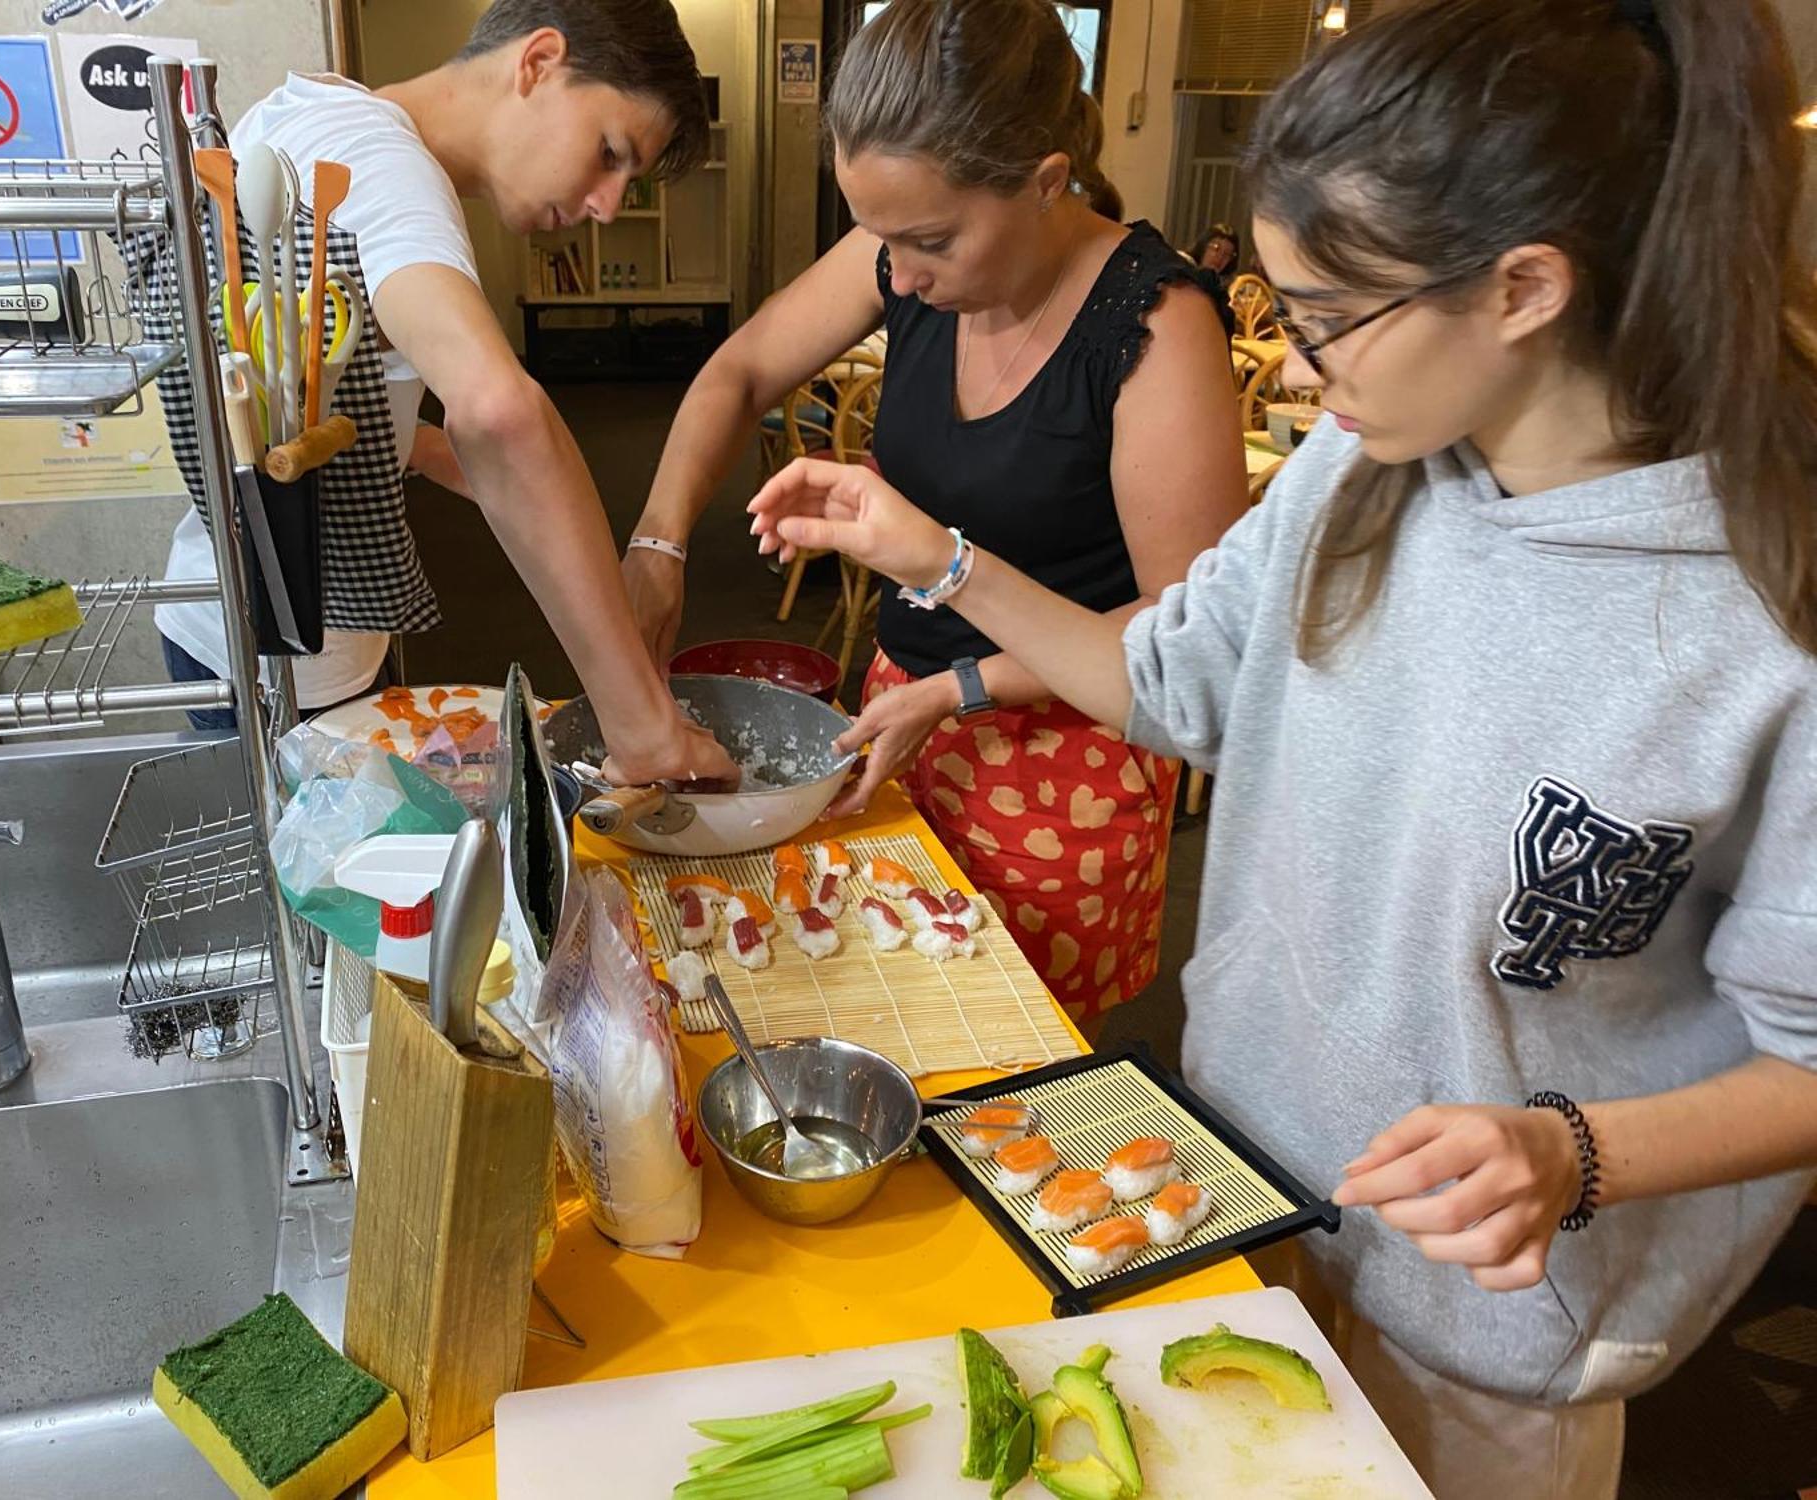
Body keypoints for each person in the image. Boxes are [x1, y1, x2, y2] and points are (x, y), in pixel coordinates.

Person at [746, 1, 1817, 1495]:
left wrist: (1574, 1153)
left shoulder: (1761, 615)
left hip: (1485, 1317)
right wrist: (933, 557)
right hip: (1232, 1179)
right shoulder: (1360, 471)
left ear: (1524, 287)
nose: (1297, 376)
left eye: (1324, 321)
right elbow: (1168, 681)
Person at [625, 0, 1248, 1021]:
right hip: (900, 714)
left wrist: (963, 684)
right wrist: (657, 542)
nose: (899, 276)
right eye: (876, 237)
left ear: (1045, 182)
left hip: (1062, 768)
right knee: (870, 1001)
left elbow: (1183, 634)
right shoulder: (901, 259)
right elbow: (736, 373)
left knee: (996, 1058)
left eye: (929, 242)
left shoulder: (1155, 328)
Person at [153, 0, 734, 785]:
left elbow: (347, 416)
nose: (607, 205)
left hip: (228, 627)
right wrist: (642, 722)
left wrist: (578, 541)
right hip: (285, 667)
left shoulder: (312, 114)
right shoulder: (386, 168)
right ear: (537, 63)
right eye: (609, 153)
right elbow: (496, 415)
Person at [1187, 221, 1242, 291]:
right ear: (1203, 245)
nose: (1220, 257)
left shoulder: (1227, 289)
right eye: (1216, 248)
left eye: (1227, 253)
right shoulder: (1181, 268)